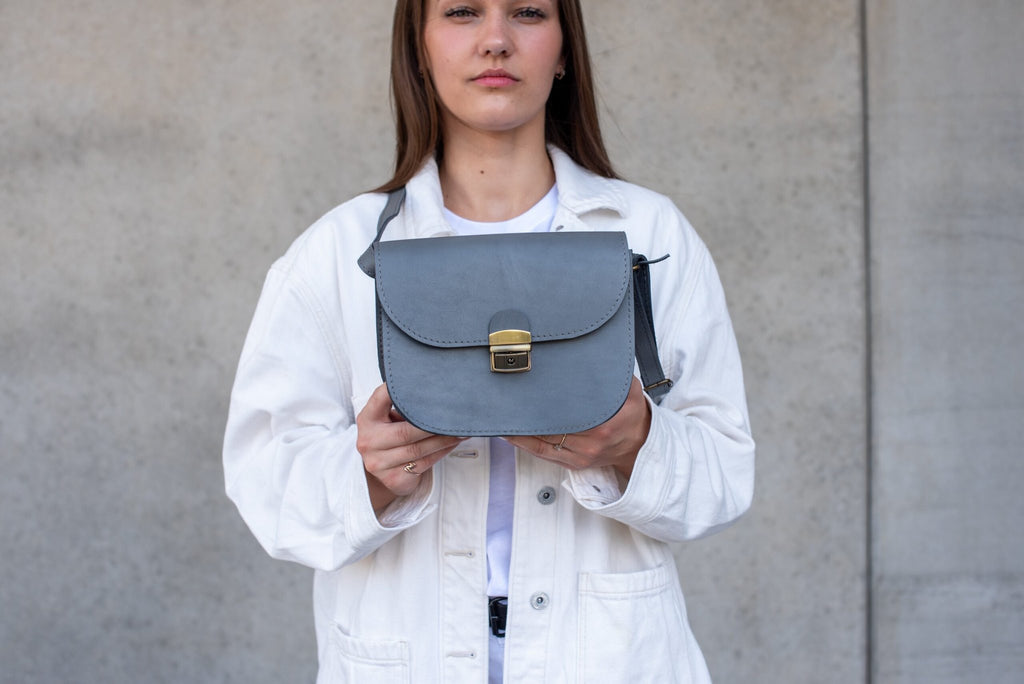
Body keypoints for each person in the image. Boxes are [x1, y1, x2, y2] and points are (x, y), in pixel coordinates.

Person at [223, 0, 755, 681]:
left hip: (609, 658)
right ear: (418, 46)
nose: (496, 40)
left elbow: (726, 472)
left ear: (565, 50)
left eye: (529, 12)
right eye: (463, 12)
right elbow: (265, 483)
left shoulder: (651, 235)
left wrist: (637, 443)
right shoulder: (336, 254)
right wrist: (369, 472)